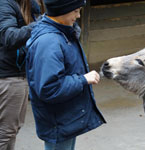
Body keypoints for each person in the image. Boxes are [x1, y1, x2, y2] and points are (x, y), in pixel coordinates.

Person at [25, 0, 106, 149]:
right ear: (61, 10)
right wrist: (82, 79)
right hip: (58, 123)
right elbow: (50, 88)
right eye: (75, 11)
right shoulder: (49, 42)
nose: (79, 15)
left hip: (65, 119)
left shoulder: (62, 32)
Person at [0, 0, 45, 149]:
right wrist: (41, 23)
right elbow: (9, 37)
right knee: (6, 131)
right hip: (9, 76)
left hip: (18, 74)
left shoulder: (30, 6)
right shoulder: (5, 4)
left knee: (12, 129)